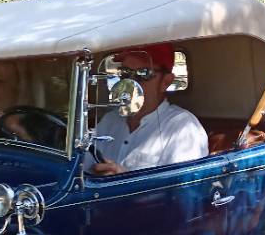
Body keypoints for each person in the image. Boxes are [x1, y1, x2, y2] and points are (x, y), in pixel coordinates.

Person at [88, 43, 208, 175]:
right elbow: (84, 166)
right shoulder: (110, 120)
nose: (131, 82)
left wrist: (124, 181)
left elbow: (181, 190)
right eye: (125, 73)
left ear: (165, 82)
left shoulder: (183, 129)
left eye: (143, 73)